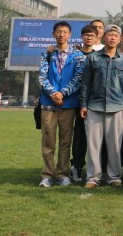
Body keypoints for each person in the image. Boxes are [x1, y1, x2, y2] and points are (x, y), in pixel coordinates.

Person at [80, 24, 123, 189]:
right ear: (103, 37)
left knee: (115, 145)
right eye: (110, 35)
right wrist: (83, 104)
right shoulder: (93, 58)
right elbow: (85, 83)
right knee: (93, 145)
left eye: (116, 35)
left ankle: (114, 176)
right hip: (94, 106)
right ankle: (93, 177)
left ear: (120, 39)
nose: (112, 38)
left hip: (116, 107)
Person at [38, 22, 85, 188]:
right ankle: (47, 175)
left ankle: (62, 174)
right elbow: (42, 77)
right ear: (53, 34)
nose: (61, 35)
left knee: (65, 142)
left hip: (68, 104)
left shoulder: (78, 55)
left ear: (70, 34)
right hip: (48, 104)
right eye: (58, 32)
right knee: (48, 142)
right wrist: (53, 93)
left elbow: (78, 78)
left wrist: (62, 93)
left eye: (65, 32)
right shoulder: (47, 54)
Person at [70, 24, 97, 182]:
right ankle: (76, 166)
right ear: (81, 37)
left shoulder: (98, 56)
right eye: (86, 35)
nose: (88, 38)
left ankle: (91, 168)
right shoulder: (73, 54)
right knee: (77, 136)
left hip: (91, 101)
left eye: (91, 35)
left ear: (96, 38)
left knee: (89, 137)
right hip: (72, 98)